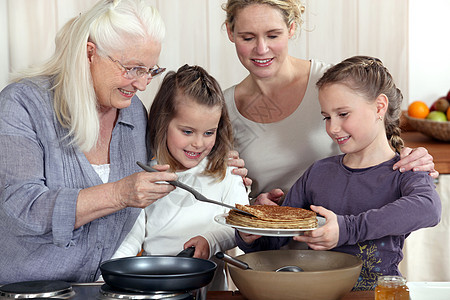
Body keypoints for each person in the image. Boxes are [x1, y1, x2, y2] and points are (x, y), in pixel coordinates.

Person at [0, 0, 250, 284]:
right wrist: (119, 194)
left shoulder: (133, 113)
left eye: (149, 70)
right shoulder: (21, 105)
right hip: (28, 289)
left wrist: (220, 160)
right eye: (132, 69)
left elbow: (171, 157)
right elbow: (22, 209)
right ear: (89, 54)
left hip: (106, 289)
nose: (142, 85)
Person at [235, 55, 441, 290]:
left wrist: (347, 229)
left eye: (343, 114)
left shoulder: (406, 169)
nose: (332, 128)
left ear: (379, 107)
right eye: (326, 117)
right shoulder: (319, 172)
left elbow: (429, 208)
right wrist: (252, 233)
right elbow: (276, 242)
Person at [222, 0, 438, 205]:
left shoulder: (333, 84)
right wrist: (250, 204)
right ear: (231, 33)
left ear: (291, 29)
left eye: (272, 35)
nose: (261, 49)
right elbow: (219, 194)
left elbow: (381, 146)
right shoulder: (222, 109)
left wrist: (412, 159)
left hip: (349, 239)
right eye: (248, 38)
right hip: (274, 242)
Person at [111, 64, 249, 291]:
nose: (198, 143)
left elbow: (242, 224)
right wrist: (111, 274)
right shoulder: (147, 178)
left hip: (208, 291)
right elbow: (131, 235)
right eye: (187, 131)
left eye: (208, 133)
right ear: (163, 123)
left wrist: (209, 240)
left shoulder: (226, 172)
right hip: (155, 287)